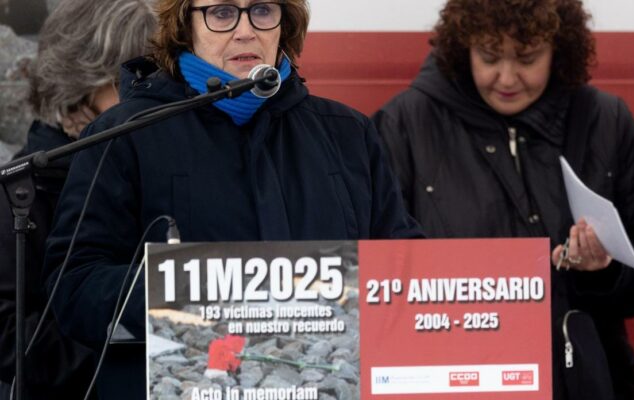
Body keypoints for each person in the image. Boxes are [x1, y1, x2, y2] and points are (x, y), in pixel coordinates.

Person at [43, 0, 421, 397]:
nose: (246, 30)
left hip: (325, 383)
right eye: (222, 13)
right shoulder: (125, 135)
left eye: (262, 10)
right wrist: (192, 296)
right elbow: (75, 286)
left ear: (283, 22)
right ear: (185, 26)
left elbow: (406, 267)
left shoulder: (349, 134)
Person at [373, 0, 634, 398]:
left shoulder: (604, 121)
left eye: (528, 58)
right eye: (489, 57)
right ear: (463, 46)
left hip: (586, 382)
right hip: (454, 383)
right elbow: (373, 283)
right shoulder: (404, 125)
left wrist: (603, 271)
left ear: (559, 48)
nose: (507, 78)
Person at [0, 0, 157, 397]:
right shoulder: (20, 193)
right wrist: (122, 371)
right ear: (80, 81)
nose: (150, 100)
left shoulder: (151, 166)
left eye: (159, 81)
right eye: (129, 82)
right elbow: (8, 331)